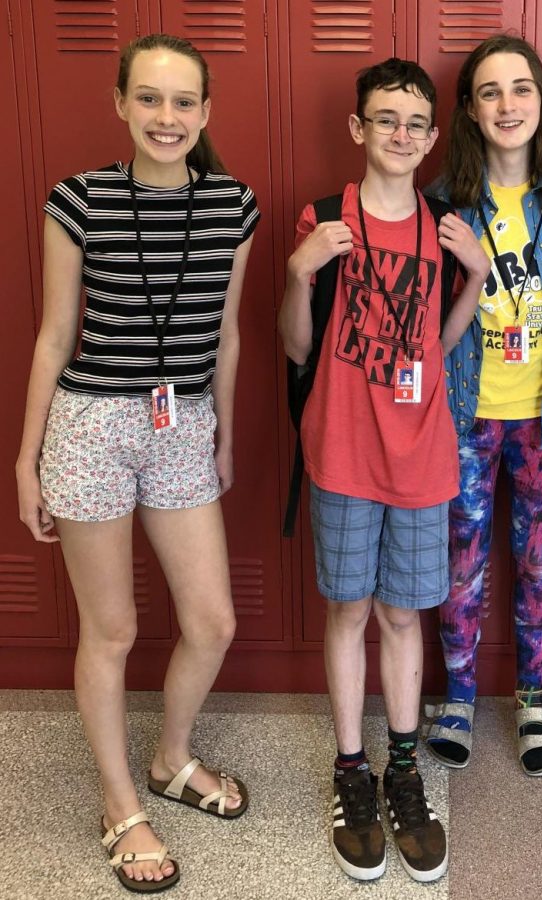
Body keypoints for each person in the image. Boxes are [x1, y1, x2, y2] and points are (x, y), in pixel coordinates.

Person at [15, 33, 259, 892]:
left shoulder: (234, 205)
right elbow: (54, 335)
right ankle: (123, 804)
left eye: (183, 101)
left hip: (183, 423)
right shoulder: (78, 200)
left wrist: (225, 434)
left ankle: (169, 759)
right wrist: (25, 457)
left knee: (212, 621)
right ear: (120, 104)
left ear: (205, 111)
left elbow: (226, 335)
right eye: (148, 98)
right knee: (111, 630)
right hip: (90, 425)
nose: (166, 116)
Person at [279, 58, 489, 882]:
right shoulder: (325, 219)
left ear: (433, 137)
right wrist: (298, 271)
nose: (399, 134)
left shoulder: (443, 226)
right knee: (348, 611)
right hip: (340, 451)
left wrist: (473, 274)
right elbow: (298, 347)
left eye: (414, 123)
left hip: (421, 456)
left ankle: (403, 771)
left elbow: (435, 349)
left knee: (404, 618)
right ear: (357, 129)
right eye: (383, 119)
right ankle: (349, 772)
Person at [424, 34, 542, 777]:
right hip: (464, 412)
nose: (507, 104)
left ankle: (532, 696)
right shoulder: (444, 199)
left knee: (539, 559)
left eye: (520, 89)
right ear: (470, 112)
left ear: (541, 102)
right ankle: (461, 696)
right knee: (460, 560)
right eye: (489, 92)